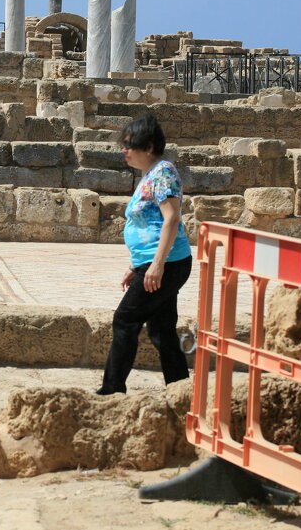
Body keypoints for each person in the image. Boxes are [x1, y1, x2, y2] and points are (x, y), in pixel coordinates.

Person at [97, 113, 193, 395]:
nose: (123, 150)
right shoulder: (151, 174)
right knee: (162, 329)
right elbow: (146, 224)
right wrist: (136, 265)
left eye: (129, 144)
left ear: (148, 147)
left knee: (125, 319)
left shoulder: (163, 173)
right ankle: (180, 390)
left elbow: (171, 218)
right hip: (155, 263)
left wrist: (156, 265)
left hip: (167, 263)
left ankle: (112, 390)